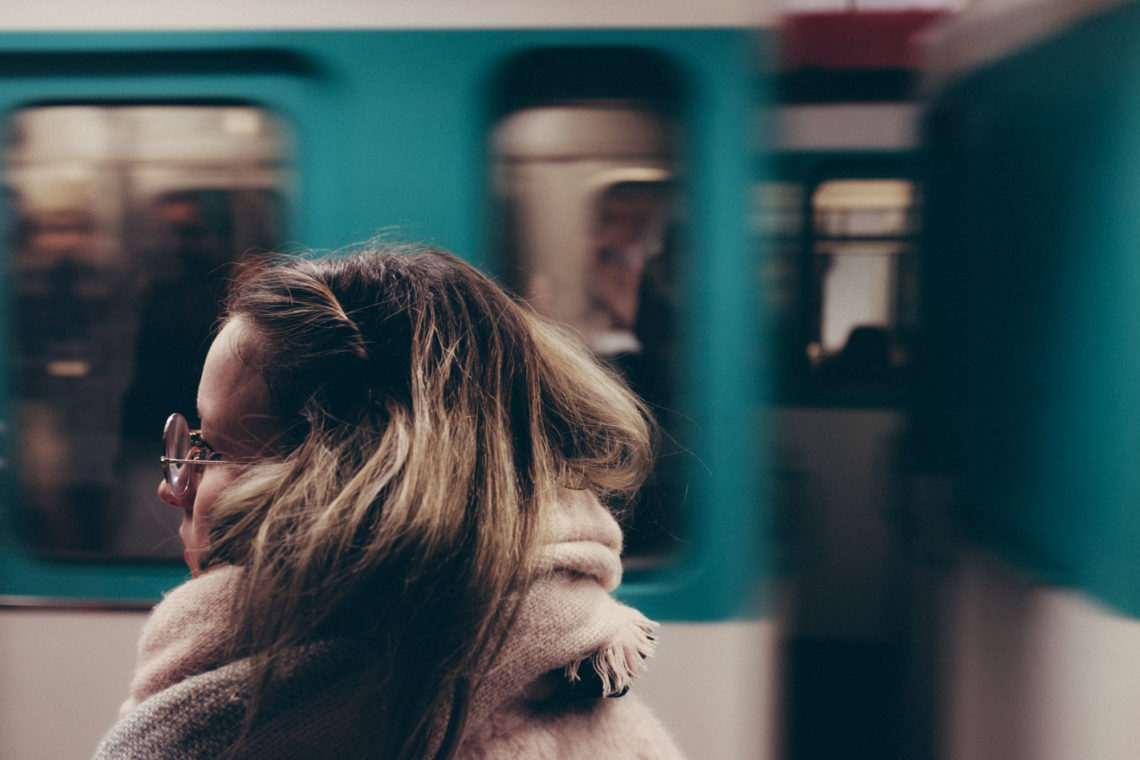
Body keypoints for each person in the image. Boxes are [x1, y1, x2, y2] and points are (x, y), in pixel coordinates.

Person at [94, 245, 685, 760]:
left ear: (335, 492)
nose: (174, 486)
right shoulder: (578, 684)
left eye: (215, 449)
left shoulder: (225, 731)